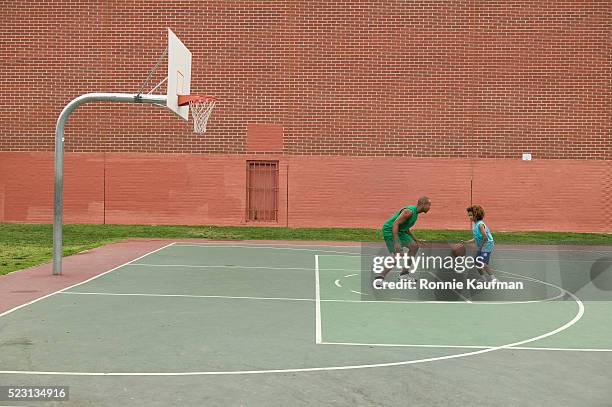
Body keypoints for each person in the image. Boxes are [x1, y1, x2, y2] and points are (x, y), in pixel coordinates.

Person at [375, 196, 431, 282]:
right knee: (398, 255)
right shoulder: (409, 212)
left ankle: (404, 275)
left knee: (414, 246)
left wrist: (415, 239)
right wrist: (396, 243)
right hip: (390, 230)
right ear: (423, 204)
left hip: (400, 231)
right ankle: (380, 278)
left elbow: (405, 227)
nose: (430, 207)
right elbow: (395, 224)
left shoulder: (415, 213)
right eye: (429, 205)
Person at [462, 205, 497, 281]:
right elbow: (477, 238)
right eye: (469, 215)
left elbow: (485, 237)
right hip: (482, 245)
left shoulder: (480, 225)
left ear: (476, 215)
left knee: (482, 263)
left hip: (487, 245)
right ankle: (483, 278)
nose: (469, 217)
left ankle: (493, 278)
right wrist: (466, 242)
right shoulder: (475, 225)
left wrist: (480, 247)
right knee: (477, 262)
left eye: (471, 215)